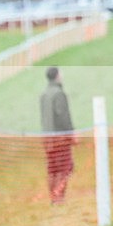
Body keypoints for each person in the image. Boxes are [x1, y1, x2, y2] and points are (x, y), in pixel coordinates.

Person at [40, 66, 75, 204]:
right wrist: (71, 134)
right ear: (57, 76)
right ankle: (59, 197)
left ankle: (53, 196)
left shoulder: (43, 95)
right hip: (60, 138)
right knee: (65, 168)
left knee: (52, 169)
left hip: (47, 138)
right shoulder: (59, 94)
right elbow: (63, 117)